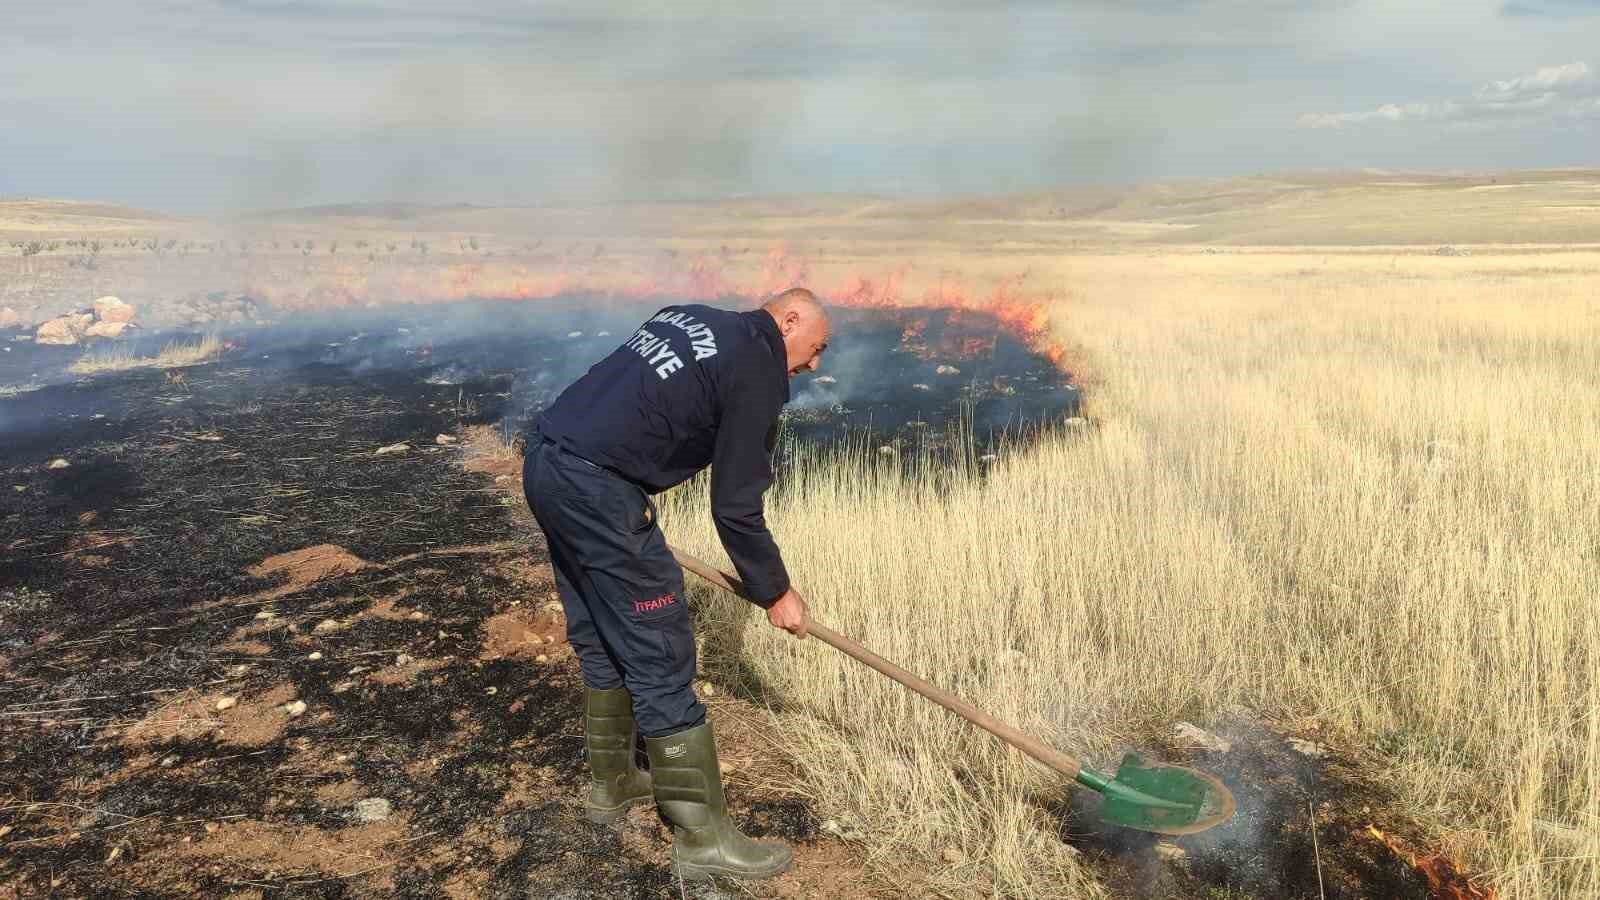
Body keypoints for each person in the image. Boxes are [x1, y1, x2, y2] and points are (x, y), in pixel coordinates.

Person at [522, 287, 830, 881]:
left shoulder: (692, 316)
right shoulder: (757, 370)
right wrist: (775, 591)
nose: (815, 364)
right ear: (789, 320)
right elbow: (736, 508)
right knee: (659, 648)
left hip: (549, 461)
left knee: (598, 629)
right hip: (599, 489)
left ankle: (612, 785)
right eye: (816, 347)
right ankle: (702, 838)